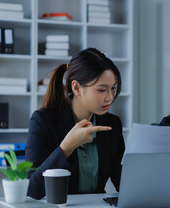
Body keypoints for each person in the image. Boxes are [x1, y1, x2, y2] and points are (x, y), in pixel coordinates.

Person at [26, 48, 124, 200]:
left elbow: (121, 181)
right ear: (77, 88)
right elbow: (31, 190)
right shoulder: (43, 121)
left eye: (113, 88)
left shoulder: (112, 124)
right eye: (102, 90)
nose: (110, 97)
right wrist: (66, 148)